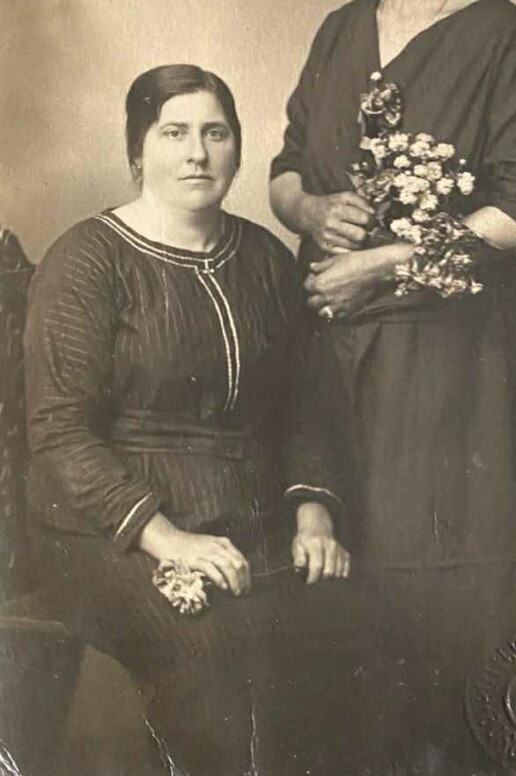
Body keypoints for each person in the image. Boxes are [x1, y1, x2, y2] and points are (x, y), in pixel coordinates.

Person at [270, 0, 516, 775]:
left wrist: (381, 262)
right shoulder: (341, 29)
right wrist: (313, 207)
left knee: (459, 596)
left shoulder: (503, 36)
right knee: (344, 607)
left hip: (452, 370)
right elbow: (280, 175)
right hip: (336, 359)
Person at [25, 64, 350, 776]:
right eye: (174, 133)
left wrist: (315, 516)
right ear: (138, 151)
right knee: (210, 644)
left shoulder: (263, 259)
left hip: (247, 508)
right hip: (107, 525)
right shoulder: (89, 259)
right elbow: (58, 431)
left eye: (215, 132)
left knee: (342, 632)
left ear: (237, 148)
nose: (197, 153)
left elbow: (307, 407)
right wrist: (167, 539)